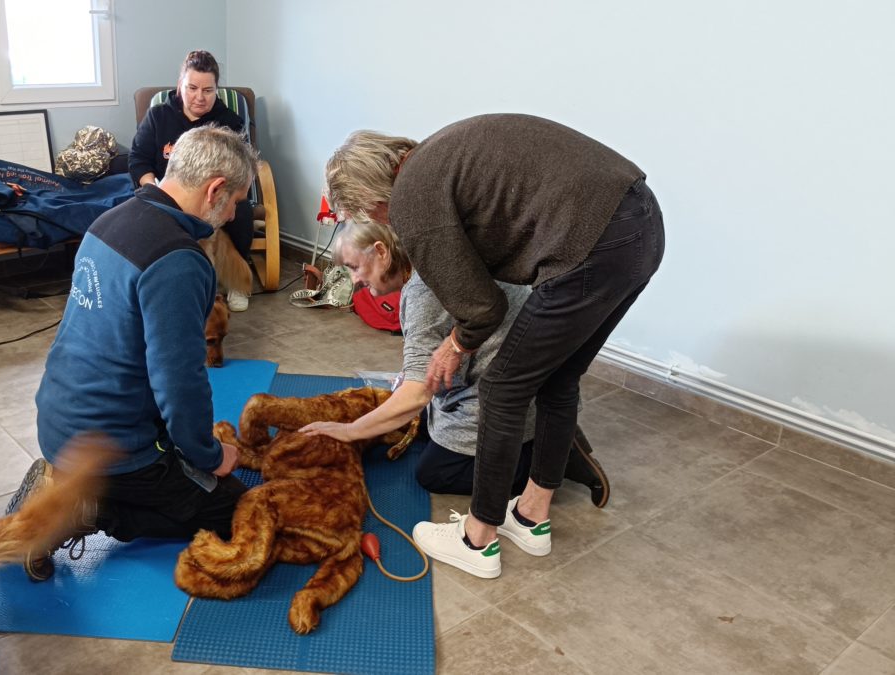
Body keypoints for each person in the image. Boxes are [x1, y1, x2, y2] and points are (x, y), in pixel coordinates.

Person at [325, 114, 664, 579]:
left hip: (595, 240)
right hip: (642, 224)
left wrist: (454, 347)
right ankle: (530, 516)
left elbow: (483, 308)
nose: (382, 223)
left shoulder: (413, 199)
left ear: (371, 196)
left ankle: (478, 539)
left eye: (368, 214)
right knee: (560, 377)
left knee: (504, 387)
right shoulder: (435, 159)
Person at [7, 125, 260, 582]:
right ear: (216, 190)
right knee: (237, 510)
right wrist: (207, 455)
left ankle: (70, 483)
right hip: (114, 446)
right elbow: (179, 381)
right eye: (237, 202)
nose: (233, 213)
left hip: (58, 421)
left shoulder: (110, 219)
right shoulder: (179, 260)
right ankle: (82, 508)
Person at [300, 219, 609, 503]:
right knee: (410, 421)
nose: (354, 280)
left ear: (381, 251)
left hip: (510, 396)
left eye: (355, 267)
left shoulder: (422, 294)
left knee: (435, 472)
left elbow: (418, 393)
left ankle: (551, 455)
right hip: (522, 379)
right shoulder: (433, 259)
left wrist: (351, 430)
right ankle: (546, 437)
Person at [129, 49, 255, 311]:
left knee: (241, 210)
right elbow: (138, 160)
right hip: (164, 192)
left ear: (216, 90)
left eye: (208, 90)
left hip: (214, 195)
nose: (199, 97)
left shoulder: (229, 122)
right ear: (180, 85)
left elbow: (239, 168)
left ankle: (236, 284)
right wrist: (154, 188)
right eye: (192, 87)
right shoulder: (158, 116)